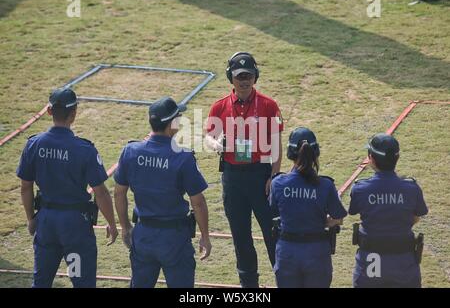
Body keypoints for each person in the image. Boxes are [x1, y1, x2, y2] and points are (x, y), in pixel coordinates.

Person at [16, 88, 118, 288]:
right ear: (74, 113)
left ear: (49, 111)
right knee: (80, 281)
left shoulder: (34, 144)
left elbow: (25, 187)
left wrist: (31, 218)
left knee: (42, 282)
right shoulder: (84, 149)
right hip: (74, 228)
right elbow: (101, 192)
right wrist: (112, 224)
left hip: (46, 223)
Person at [114, 96, 211, 288]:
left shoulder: (130, 151)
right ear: (172, 124)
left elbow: (118, 193)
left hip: (143, 234)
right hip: (174, 237)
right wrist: (205, 236)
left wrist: (125, 227)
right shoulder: (183, 158)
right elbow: (198, 202)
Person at [205, 52, 284, 288]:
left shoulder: (269, 105)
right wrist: (218, 144)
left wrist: (275, 176)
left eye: (248, 75)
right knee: (241, 238)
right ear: (231, 78)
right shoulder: (219, 106)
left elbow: (276, 144)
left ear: (255, 76)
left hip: (261, 177)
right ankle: (249, 288)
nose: (244, 80)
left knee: (272, 234)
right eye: (239, 76)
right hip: (233, 178)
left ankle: (283, 279)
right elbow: (208, 138)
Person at [269, 127, 347, 288]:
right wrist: (322, 222)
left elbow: (275, 211)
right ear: (315, 153)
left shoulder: (278, 183)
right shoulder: (325, 185)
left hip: (287, 253)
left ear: (291, 153)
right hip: (316, 252)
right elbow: (338, 218)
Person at [349, 133, 428, 288]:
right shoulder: (411, 188)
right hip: (403, 262)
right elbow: (417, 216)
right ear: (396, 158)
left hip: (371, 259)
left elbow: (354, 211)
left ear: (371, 158)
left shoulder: (361, 189)